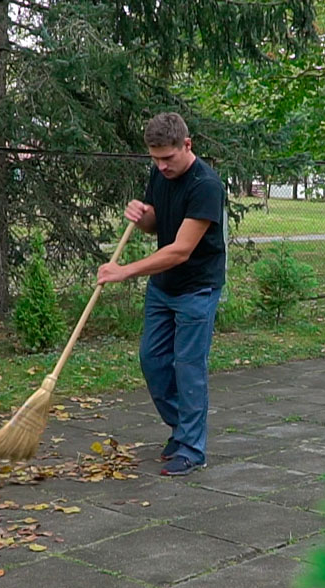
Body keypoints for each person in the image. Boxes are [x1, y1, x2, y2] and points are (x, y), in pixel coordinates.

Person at [96, 112, 226, 476]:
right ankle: (181, 429)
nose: (161, 166)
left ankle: (192, 448)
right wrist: (142, 216)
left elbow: (180, 250)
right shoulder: (160, 172)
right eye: (154, 158)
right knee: (153, 362)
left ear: (187, 145)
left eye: (167, 158)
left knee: (188, 369)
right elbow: (156, 225)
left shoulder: (206, 185)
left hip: (196, 288)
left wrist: (124, 271)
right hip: (164, 287)